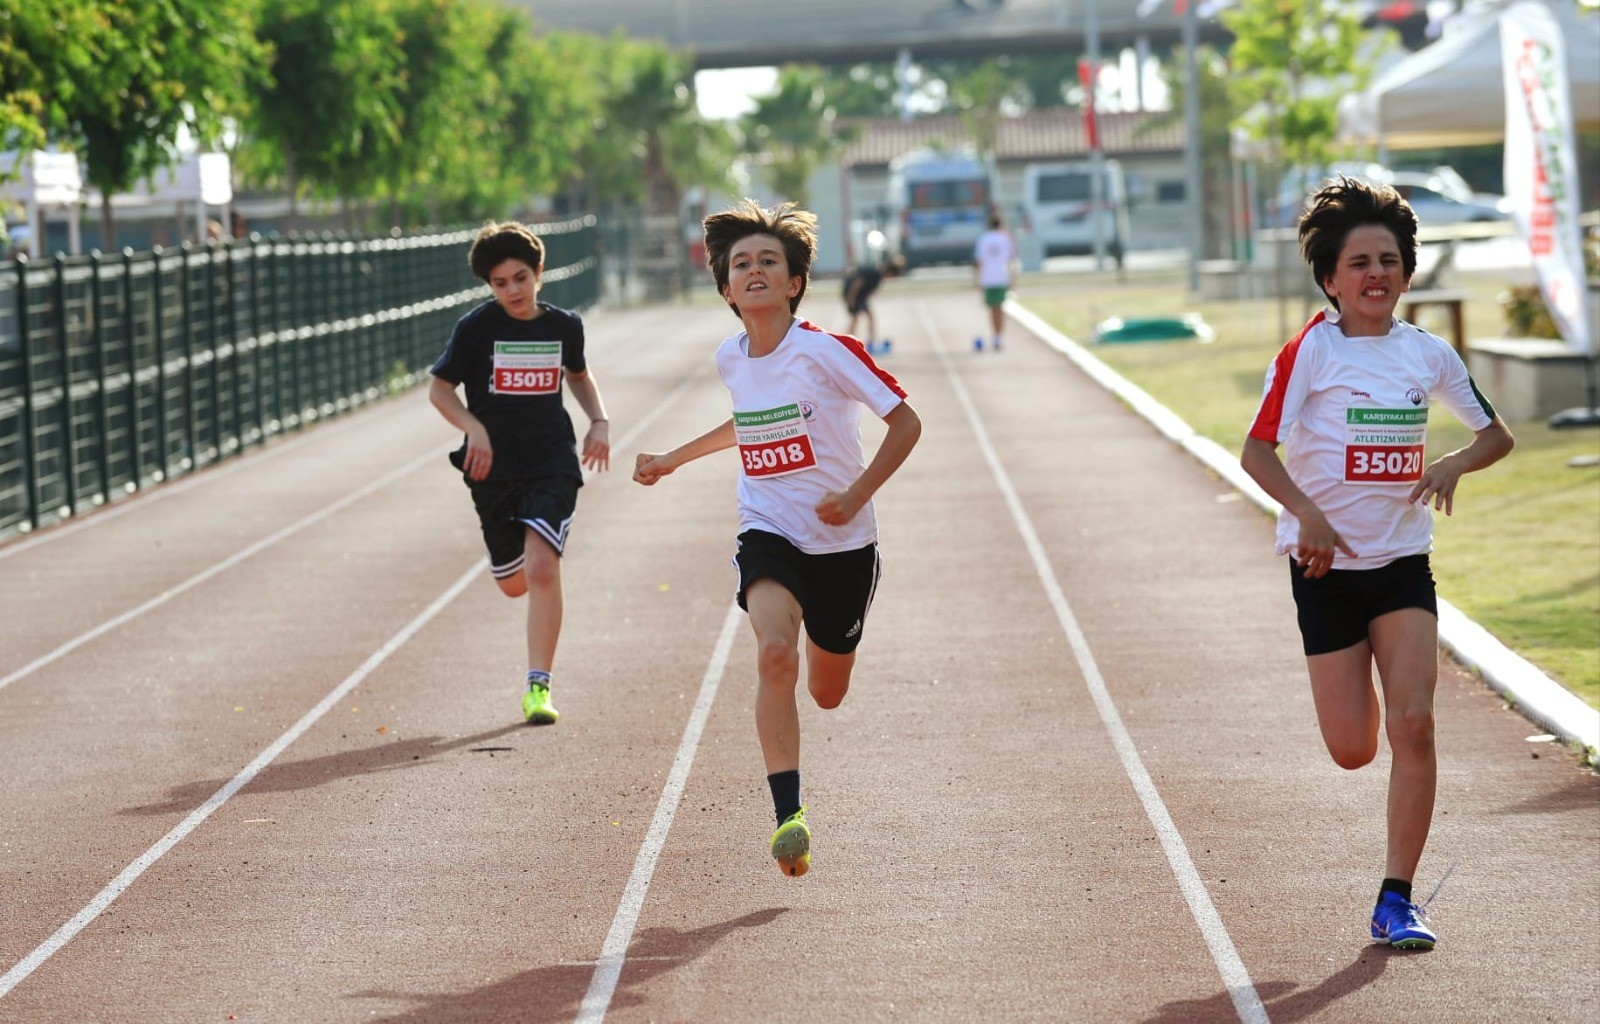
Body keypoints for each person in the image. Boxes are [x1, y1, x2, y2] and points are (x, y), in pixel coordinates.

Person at [1239, 177, 1514, 951]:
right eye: (1359, 262)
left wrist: (1455, 461)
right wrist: (1308, 515)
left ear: (1407, 271)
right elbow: (1256, 452)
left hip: (1400, 565)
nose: (1376, 274)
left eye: (1389, 260)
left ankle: (1397, 898)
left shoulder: (1427, 354)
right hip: (1325, 571)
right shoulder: (1309, 352)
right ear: (1331, 278)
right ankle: (1352, 691)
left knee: (1414, 724)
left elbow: (1497, 435)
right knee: (1353, 749)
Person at [633, 199, 922, 878]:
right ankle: (789, 816)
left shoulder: (826, 352)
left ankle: (829, 649)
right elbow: (748, 422)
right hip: (769, 529)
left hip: (843, 545)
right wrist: (674, 458)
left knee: (827, 692)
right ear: (727, 289)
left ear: (794, 283)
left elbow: (906, 423)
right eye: (741, 264)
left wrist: (856, 494)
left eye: (769, 260)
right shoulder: (731, 358)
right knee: (772, 655)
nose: (754, 270)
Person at [429, 220, 611, 726]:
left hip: (552, 461)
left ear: (539, 272)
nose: (512, 290)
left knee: (542, 568)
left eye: (520, 278)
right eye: (500, 283)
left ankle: (538, 687)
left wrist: (598, 421)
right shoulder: (476, 328)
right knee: (513, 583)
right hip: (493, 468)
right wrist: (474, 428)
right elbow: (440, 389)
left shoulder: (564, 326)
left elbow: (579, 375)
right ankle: (519, 566)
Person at [972, 209, 1018, 351]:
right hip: (1002, 276)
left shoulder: (983, 239)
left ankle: (996, 335)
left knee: (993, 309)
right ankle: (998, 337)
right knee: (1000, 308)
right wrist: (1012, 277)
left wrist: (977, 279)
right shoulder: (1006, 238)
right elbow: (1011, 260)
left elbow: (979, 261)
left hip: (988, 278)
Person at [841, 253, 905, 351]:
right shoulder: (875, 274)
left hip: (860, 297)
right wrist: (851, 299)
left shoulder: (878, 277)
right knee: (855, 318)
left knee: (869, 317)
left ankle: (871, 341)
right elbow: (857, 283)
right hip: (852, 294)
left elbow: (867, 291)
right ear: (890, 273)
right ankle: (845, 343)